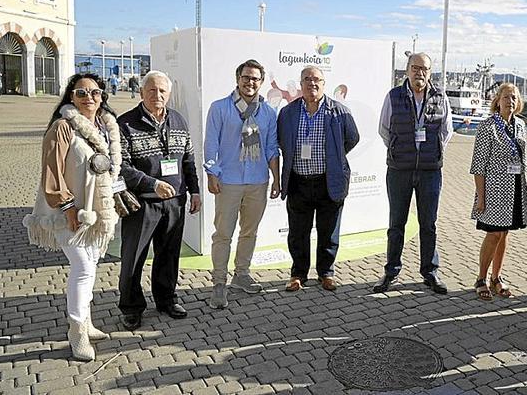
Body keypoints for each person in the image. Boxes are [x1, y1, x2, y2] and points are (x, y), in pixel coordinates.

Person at [23, 74, 121, 361]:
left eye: (95, 92)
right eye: (81, 93)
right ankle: (76, 331)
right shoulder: (62, 127)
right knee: (82, 268)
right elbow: (51, 174)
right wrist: (67, 208)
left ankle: (86, 321)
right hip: (69, 213)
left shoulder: (104, 126)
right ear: (70, 96)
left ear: (102, 96)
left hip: (95, 212)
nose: (89, 97)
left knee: (90, 266)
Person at [117, 71, 201, 331]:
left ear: (169, 93)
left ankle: (166, 299)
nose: (158, 95)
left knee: (169, 255)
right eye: (152, 90)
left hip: (174, 201)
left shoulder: (178, 120)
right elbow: (121, 165)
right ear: (141, 92)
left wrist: (195, 191)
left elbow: (188, 160)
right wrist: (151, 183)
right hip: (142, 203)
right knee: (134, 258)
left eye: (163, 91)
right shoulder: (125, 124)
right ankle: (131, 307)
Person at [373, 52, 453, 294]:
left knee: (428, 224)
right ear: (407, 70)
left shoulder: (440, 97)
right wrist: (402, 151)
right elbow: (384, 130)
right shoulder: (394, 96)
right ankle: (391, 271)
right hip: (400, 170)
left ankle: (430, 272)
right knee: (396, 223)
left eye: (425, 69)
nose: (420, 73)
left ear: (430, 73)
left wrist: (430, 153)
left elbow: (446, 132)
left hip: (430, 171)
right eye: (415, 68)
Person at [204, 59, 280, 309]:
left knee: (250, 232)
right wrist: (212, 173)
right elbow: (211, 143)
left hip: (257, 181)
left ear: (261, 82)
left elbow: (271, 147)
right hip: (229, 182)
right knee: (223, 234)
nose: (250, 82)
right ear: (238, 79)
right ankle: (218, 283)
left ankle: (241, 274)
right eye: (246, 77)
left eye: (255, 78)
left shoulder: (268, 112)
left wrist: (276, 178)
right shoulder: (220, 108)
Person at [277, 66, 359, 292]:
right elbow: (282, 142)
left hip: (328, 181)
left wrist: (334, 157)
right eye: (307, 80)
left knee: (328, 231)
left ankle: (326, 273)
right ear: (300, 84)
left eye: (317, 80)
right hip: (298, 182)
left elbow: (352, 139)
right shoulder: (288, 112)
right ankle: (298, 274)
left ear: (324, 84)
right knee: (298, 232)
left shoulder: (340, 112)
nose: (312, 84)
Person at [470, 83, 527, 300]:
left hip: (514, 188)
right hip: (494, 190)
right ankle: (480, 277)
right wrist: (481, 196)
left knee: (504, 233)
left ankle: (496, 277)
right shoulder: (488, 126)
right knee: (494, 233)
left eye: (514, 97)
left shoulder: (520, 125)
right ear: (497, 100)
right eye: (506, 97)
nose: (510, 101)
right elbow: (478, 165)